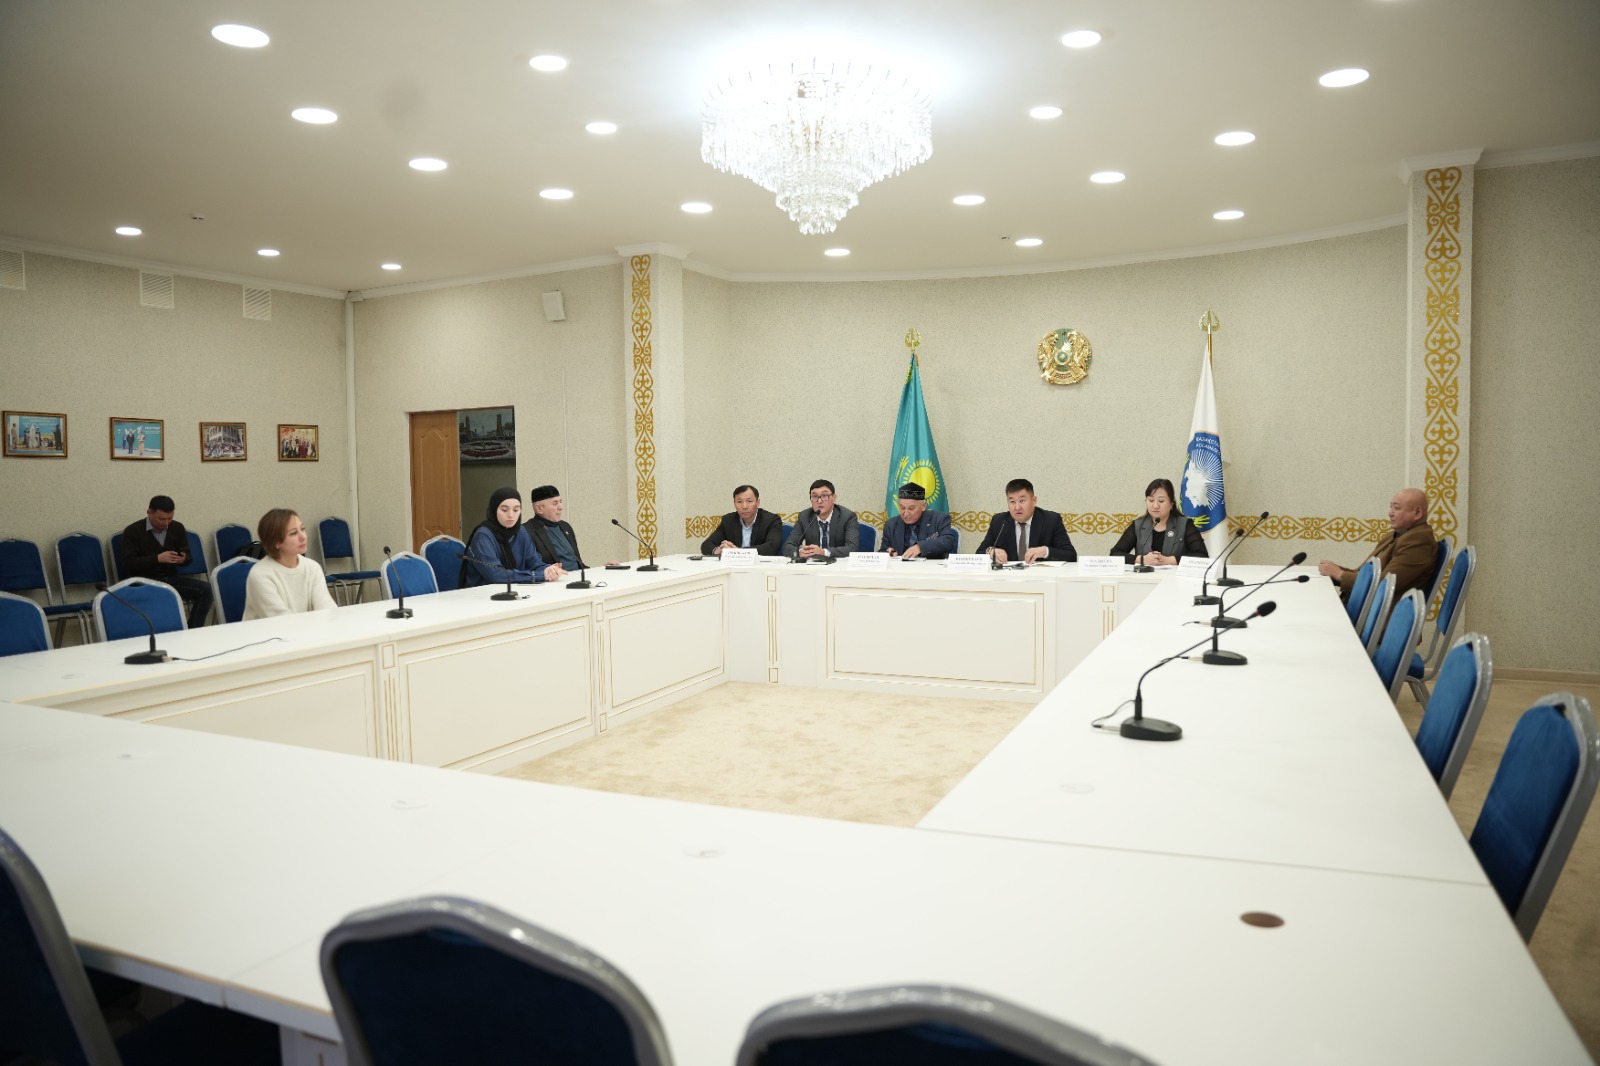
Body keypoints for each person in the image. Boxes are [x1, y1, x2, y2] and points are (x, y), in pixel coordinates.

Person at [1318, 488, 1437, 598]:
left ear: (1417, 513)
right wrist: (1332, 571)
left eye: (1396, 508)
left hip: (1379, 611)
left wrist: (1340, 574)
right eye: (1391, 507)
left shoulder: (1420, 543)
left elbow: (1383, 585)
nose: (1390, 513)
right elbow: (1361, 574)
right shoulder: (1395, 535)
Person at [119, 494, 213, 628]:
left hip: (170, 579)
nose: (166, 523)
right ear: (149, 513)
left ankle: (193, 629)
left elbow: (188, 556)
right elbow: (129, 563)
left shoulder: (177, 528)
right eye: (161, 519)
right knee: (161, 596)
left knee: (207, 590)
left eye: (170, 518)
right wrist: (157, 558)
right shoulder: (133, 531)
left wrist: (183, 559)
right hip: (144, 581)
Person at [242, 509, 338, 620]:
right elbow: (281, 621)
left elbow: (327, 611)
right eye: (293, 533)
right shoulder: (260, 574)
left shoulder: (313, 567)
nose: (303, 536)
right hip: (270, 631)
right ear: (275, 542)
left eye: (302, 529)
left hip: (305, 629)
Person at [464, 487, 563, 587]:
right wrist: (537, 576)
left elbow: (535, 563)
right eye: (504, 510)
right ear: (494, 510)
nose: (511, 515)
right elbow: (496, 575)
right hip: (483, 593)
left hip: (515, 590)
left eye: (516, 510)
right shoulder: (483, 536)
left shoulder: (520, 532)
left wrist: (548, 569)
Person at [1109, 478, 1208, 565]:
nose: (1155, 506)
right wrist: (1142, 559)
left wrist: (1169, 560)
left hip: (1174, 578)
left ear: (1171, 504)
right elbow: (1115, 554)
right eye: (1151, 500)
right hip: (1145, 578)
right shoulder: (1138, 525)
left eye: (1161, 501)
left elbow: (1202, 556)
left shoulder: (1185, 525)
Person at [975, 478, 1077, 563]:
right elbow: (979, 553)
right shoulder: (1000, 521)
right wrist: (990, 551)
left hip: (1040, 578)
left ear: (1034, 500)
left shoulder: (1051, 520)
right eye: (1012, 501)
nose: (1017, 507)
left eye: (1022, 501)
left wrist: (1045, 551)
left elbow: (1071, 555)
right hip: (1009, 578)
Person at [782, 479, 859, 560]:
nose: (819, 501)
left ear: (834, 498)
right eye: (815, 496)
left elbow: (852, 548)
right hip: (813, 564)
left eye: (824, 496)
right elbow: (788, 546)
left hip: (839, 564)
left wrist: (824, 552)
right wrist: (800, 552)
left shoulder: (847, 516)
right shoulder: (804, 516)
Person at [879, 482, 958, 559]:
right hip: (901, 567)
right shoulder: (891, 524)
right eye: (902, 508)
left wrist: (921, 547)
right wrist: (888, 553)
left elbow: (948, 541)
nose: (905, 514)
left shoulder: (939, 519)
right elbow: (882, 552)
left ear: (923, 506)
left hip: (930, 566)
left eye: (911, 508)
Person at [701, 484, 783, 556]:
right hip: (733, 566)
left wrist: (738, 552)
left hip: (760, 566)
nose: (744, 506)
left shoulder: (771, 520)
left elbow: (772, 547)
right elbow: (706, 545)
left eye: (749, 501)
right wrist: (718, 551)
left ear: (757, 503)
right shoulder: (728, 521)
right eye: (739, 502)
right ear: (734, 503)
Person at [524, 485, 588, 571]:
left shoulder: (566, 526)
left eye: (560, 502)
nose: (561, 507)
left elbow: (579, 564)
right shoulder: (526, 531)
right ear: (539, 509)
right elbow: (529, 568)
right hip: (555, 579)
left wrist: (601, 570)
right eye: (555, 503)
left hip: (577, 577)